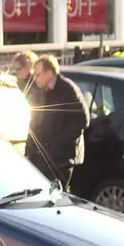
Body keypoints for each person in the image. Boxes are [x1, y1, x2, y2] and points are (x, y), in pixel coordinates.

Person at [27, 56, 87, 189]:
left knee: (57, 194)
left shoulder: (67, 89)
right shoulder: (42, 91)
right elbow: (37, 120)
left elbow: (82, 120)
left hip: (62, 157)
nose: (34, 78)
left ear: (49, 73)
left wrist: (56, 142)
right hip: (45, 155)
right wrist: (30, 148)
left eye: (37, 74)